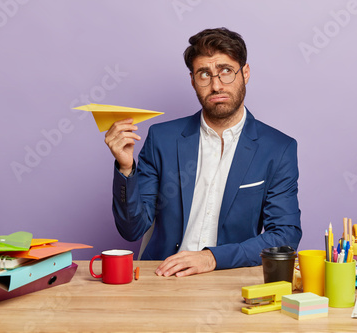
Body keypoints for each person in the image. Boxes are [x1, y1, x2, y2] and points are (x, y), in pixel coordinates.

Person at [105, 27, 301, 277]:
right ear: (192, 80)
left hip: (229, 277)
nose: (216, 85)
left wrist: (212, 258)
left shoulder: (278, 148)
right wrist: (125, 169)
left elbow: (284, 236)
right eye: (204, 74)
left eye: (226, 71)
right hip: (161, 276)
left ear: (246, 73)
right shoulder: (162, 139)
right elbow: (132, 229)